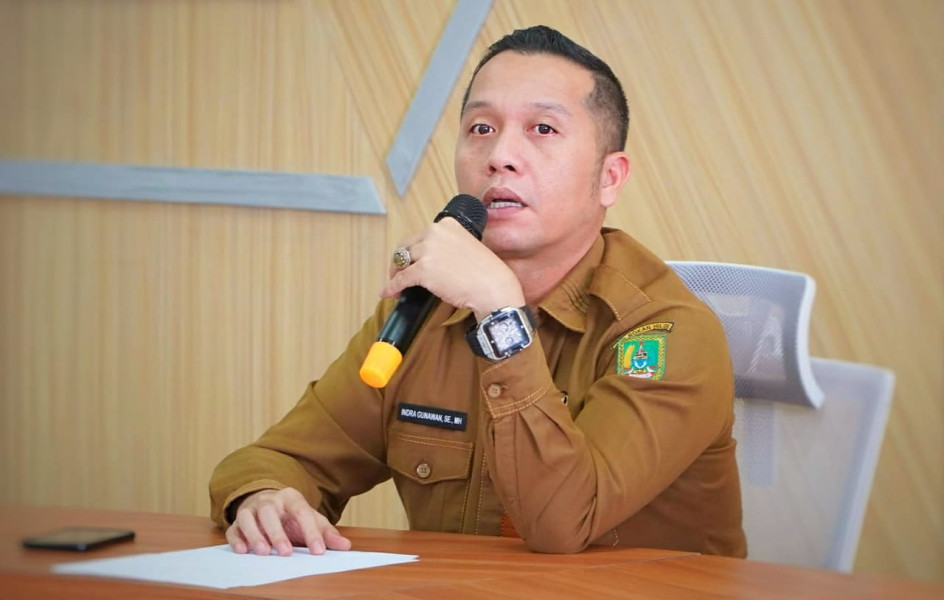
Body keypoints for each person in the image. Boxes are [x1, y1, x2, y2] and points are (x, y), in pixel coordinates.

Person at [209, 25, 746, 558]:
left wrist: (500, 317)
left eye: (542, 129)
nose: (499, 156)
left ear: (609, 178)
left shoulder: (670, 333)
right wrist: (266, 497)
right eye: (481, 128)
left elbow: (563, 522)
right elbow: (284, 458)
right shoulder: (423, 312)